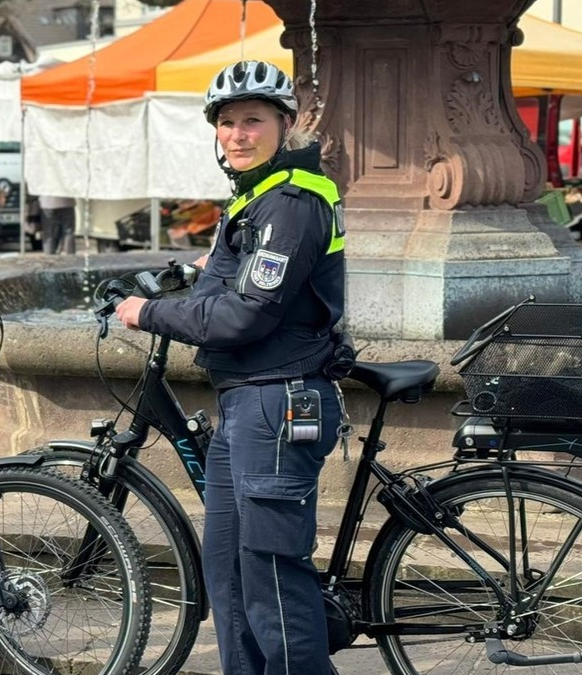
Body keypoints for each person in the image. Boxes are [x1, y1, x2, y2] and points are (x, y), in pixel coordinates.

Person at [115, 60, 346, 675]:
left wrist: (149, 312)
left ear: (285, 124)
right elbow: (241, 280)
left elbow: (246, 317)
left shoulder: (293, 202)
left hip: (278, 401)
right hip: (246, 401)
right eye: (227, 123)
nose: (238, 134)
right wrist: (200, 272)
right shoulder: (257, 198)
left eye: (253, 121)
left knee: (271, 576)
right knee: (229, 571)